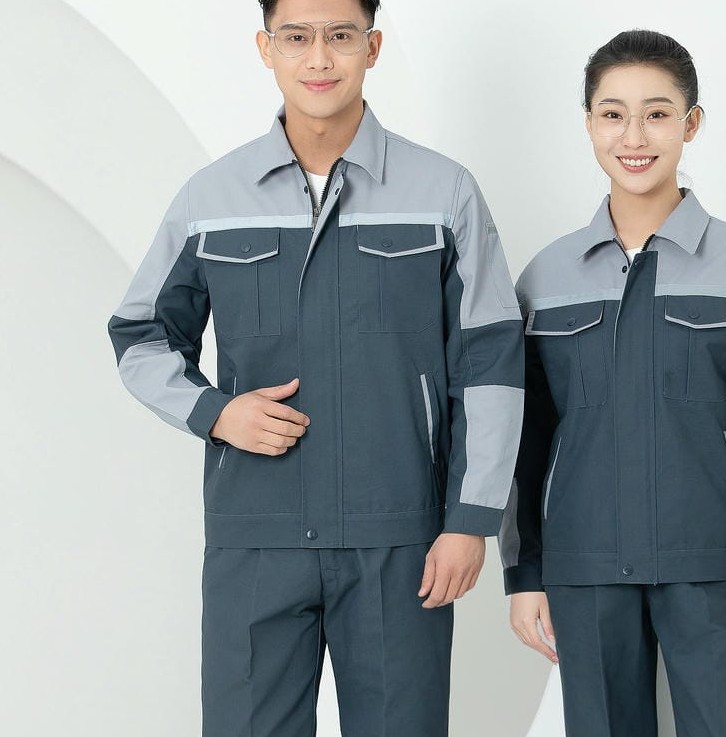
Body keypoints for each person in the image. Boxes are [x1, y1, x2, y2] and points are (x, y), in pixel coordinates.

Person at [107, 1, 524, 735]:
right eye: (296, 38)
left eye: (340, 36)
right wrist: (216, 412)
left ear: (374, 45)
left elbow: (490, 357)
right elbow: (140, 333)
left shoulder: (444, 192)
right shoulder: (211, 196)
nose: (320, 58)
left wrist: (470, 519)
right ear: (266, 48)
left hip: (400, 536)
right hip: (255, 535)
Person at [499, 29, 726, 736]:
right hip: (582, 566)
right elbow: (525, 443)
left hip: (712, 566)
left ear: (691, 124)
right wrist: (525, 573)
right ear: (588, 124)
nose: (634, 136)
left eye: (658, 113)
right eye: (613, 114)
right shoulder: (546, 277)